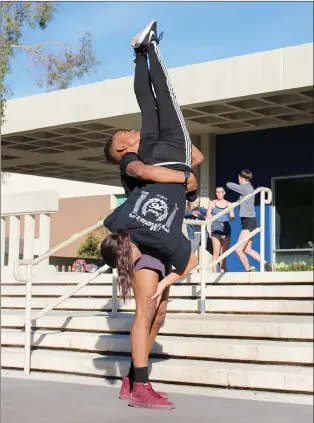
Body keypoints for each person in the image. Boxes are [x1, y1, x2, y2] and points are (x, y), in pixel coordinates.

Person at [101, 21, 202, 410]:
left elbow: (198, 159)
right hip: (151, 236)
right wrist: (184, 177)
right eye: (124, 138)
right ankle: (149, 48)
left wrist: (189, 183)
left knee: (155, 314)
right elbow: (184, 164)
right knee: (165, 99)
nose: (128, 134)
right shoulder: (130, 159)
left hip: (154, 235)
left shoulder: (141, 150)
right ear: (123, 147)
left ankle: (132, 380)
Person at [226, 169, 273, 272]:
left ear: (243, 178)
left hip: (248, 221)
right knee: (247, 249)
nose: (238, 180)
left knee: (238, 249)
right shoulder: (248, 189)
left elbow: (228, 184)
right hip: (249, 221)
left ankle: (248, 271)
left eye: (239, 178)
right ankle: (267, 265)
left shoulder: (245, 187)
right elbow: (240, 201)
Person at [206, 187, 234, 273]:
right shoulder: (212, 203)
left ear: (224, 193)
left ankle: (222, 270)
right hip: (216, 228)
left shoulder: (229, 203)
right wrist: (211, 216)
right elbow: (208, 215)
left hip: (225, 228)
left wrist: (229, 216)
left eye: (221, 192)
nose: (219, 194)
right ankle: (214, 271)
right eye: (217, 192)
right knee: (216, 251)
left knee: (224, 253)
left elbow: (232, 216)